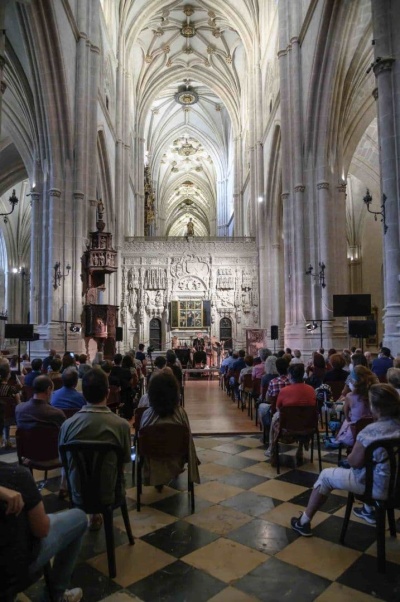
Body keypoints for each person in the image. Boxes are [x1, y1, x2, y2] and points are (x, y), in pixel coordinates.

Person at [291, 384, 400, 536]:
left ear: (376, 408)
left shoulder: (371, 431)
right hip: (396, 486)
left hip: (375, 486)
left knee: (325, 476)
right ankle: (368, 510)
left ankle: (303, 522)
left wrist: (350, 456)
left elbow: (354, 462)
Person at [0, 463, 87, 602]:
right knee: (80, 518)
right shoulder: (16, 475)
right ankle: (56, 595)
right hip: (14, 569)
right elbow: (42, 530)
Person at [59, 368, 131, 529]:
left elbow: (63, 461)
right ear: (107, 393)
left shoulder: (67, 426)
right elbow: (125, 461)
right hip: (110, 492)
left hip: (77, 492)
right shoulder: (121, 426)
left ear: (83, 394)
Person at [139, 371, 200, 487]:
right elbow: (188, 440)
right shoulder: (181, 413)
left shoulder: (146, 414)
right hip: (176, 458)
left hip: (152, 459)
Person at [266, 363, 316, 466]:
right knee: (303, 416)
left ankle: (272, 448)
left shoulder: (284, 391)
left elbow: (278, 408)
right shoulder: (311, 389)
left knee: (275, 417)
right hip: (308, 426)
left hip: (288, 427)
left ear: (290, 376)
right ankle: (301, 447)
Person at [328, 366, 378, 448]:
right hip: (373, 431)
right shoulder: (374, 395)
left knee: (346, 420)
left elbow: (347, 417)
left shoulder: (350, 396)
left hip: (354, 432)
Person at [0, 362, 21, 448]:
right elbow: (18, 402)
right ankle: (8, 439)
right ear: (8, 375)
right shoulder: (12, 389)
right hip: (10, 416)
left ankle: (5, 439)